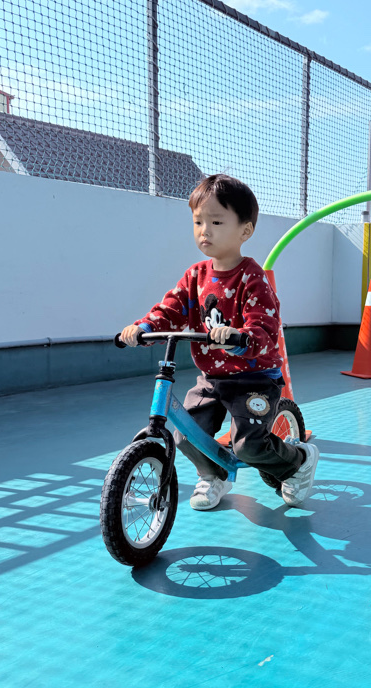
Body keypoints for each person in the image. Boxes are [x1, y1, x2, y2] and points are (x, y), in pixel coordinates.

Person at [120, 173, 319, 511]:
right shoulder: (195, 276)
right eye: (198, 222)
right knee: (185, 433)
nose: (204, 231)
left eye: (216, 222)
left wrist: (241, 337)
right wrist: (144, 326)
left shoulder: (252, 278)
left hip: (254, 378)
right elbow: (172, 308)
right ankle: (215, 474)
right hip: (213, 379)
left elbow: (265, 325)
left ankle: (298, 462)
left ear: (245, 230)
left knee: (248, 446)